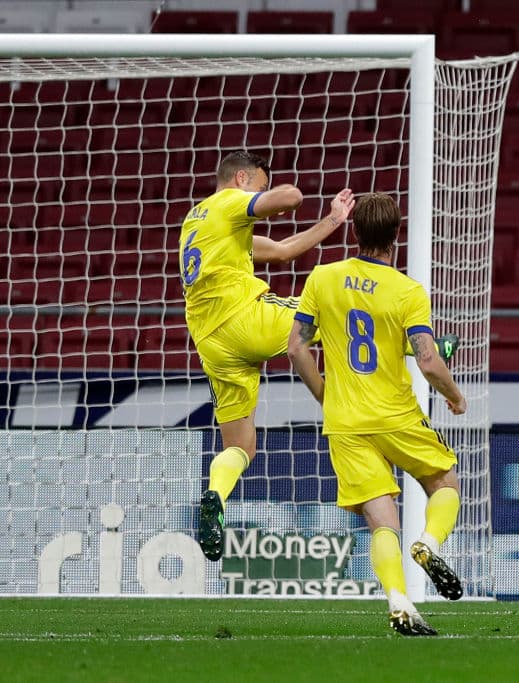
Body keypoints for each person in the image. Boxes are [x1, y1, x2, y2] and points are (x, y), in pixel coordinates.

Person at [179, 151, 457, 564]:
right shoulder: (230, 201)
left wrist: (332, 221)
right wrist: (276, 198)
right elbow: (288, 197)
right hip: (244, 317)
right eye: (258, 184)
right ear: (241, 178)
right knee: (329, 308)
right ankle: (418, 345)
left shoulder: (195, 224)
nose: (258, 193)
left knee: (240, 447)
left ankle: (215, 495)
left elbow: (282, 251)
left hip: (211, 341)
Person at [287, 192, 467, 636]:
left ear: (355, 231)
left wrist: (325, 396)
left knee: (381, 522)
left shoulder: (322, 278)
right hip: (396, 415)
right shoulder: (406, 291)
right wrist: (455, 396)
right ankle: (428, 543)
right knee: (444, 482)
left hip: (346, 421)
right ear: (395, 236)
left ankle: (399, 602)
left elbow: (296, 348)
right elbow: (428, 360)